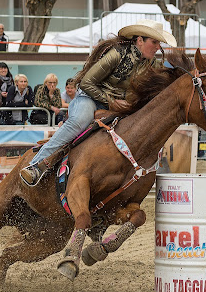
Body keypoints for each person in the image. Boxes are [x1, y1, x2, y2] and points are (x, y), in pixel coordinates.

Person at [20, 19, 176, 186]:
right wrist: (111, 102)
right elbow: (87, 83)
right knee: (78, 122)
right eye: (154, 42)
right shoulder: (116, 54)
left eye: (159, 43)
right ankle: (35, 165)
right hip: (90, 98)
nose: (158, 47)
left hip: (120, 106)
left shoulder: (152, 64)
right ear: (140, 40)